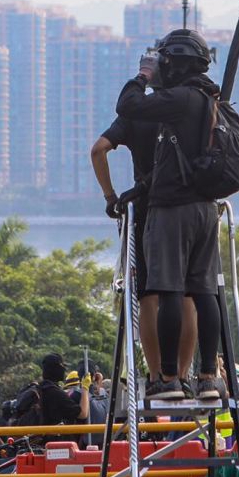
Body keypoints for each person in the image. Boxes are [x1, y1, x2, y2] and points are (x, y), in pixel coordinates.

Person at [115, 29, 226, 400]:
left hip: (172, 208)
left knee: (169, 290)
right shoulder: (210, 99)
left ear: (173, 63)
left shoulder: (179, 99)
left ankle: (167, 379)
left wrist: (143, 75)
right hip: (206, 209)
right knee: (205, 291)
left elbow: (128, 105)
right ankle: (209, 377)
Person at [92, 106, 198, 393]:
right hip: (189, 209)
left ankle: (156, 376)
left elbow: (98, 150)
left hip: (146, 211)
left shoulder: (137, 112)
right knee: (188, 295)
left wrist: (110, 197)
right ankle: (184, 374)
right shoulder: (187, 108)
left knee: (148, 297)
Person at [39, 354, 89, 443]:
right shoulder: (55, 392)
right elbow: (82, 414)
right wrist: (85, 388)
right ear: (56, 369)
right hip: (55, 444)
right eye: (62, 367)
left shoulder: (40, 388)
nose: (64, 370)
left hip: (41, 441)